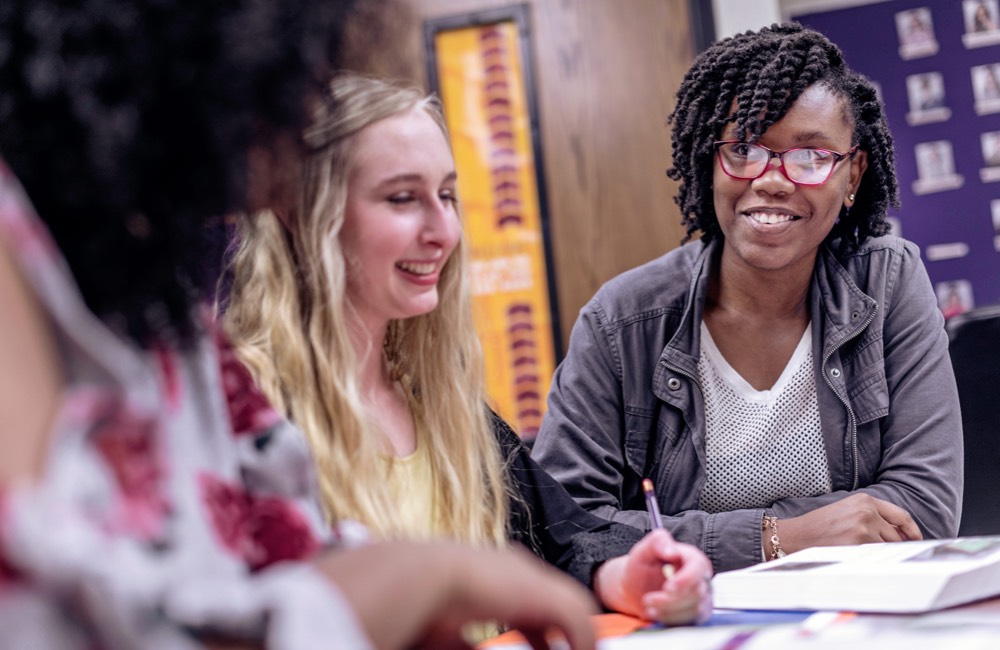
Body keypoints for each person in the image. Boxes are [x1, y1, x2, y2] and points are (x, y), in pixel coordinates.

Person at [0, 2, 602, 648]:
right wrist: (424, 576)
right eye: (402, 197)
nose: (308, 107)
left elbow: (264, 559)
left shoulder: (171, 314)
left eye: (448, 195)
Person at [221, 73, 713, 630]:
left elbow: (561, 544)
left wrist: (626, 575)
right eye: (403, 198)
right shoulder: (240, 419)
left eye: (448, 196)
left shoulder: (440, 403)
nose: (443, 231)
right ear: (306, 212)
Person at [531, 23, 963, 574]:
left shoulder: (888, 282)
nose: (773, 179)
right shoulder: (622, 321)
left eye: (810, 156)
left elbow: (924, 505)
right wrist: (778, 538)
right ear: (709, 162)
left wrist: (684, 538)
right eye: (743, 149)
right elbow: (564, 530)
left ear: (852, 173)